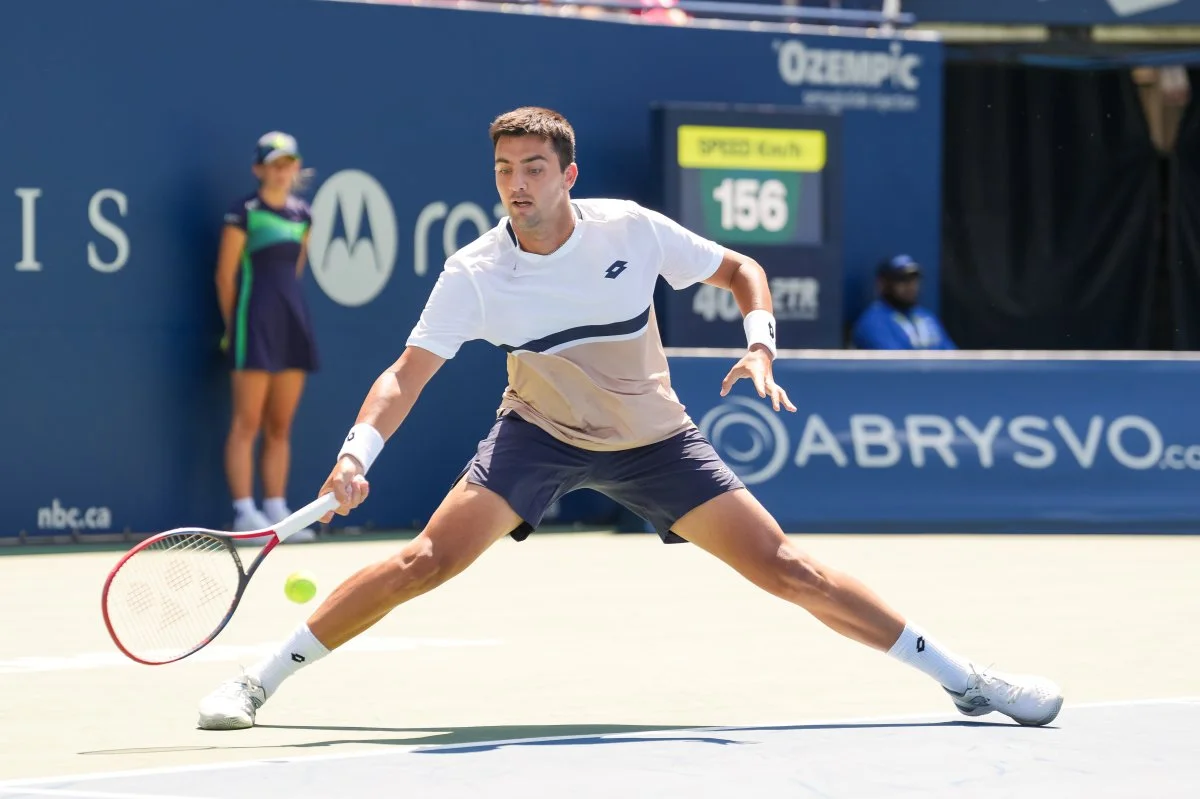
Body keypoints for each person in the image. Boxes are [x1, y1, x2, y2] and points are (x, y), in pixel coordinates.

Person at [196, 108, 1062, 730]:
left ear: (568, 175)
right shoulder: (475, 270)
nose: (517, 184)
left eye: (534, 168)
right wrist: (357, 452)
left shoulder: (631, 232)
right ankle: (258, 680)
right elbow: (404, 373)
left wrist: (758, 343)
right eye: (504, 170)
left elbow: (740, 270)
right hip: (536, 433)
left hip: (657, 441)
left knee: (788, 567)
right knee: (425, 558)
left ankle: (965, 679)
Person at [215, 132, 320, 542]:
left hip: (292, 324)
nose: (282, 170)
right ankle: (245, 513)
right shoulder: (244, 212)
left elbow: (295, 271)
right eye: (274, 163)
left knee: (280, 425)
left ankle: (276, 510)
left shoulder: (302, 215)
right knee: (248, 423)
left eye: (289, 163)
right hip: (251, 325)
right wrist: (234, 326)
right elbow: (225, 275)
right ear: (259, 169)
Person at [851, 255, 956, 350]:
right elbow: (897, 364)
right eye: (902, 280)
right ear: (883, 284)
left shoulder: (926, 316)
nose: (910, 286)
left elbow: (953, 357)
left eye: (914, 279)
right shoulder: (873, 322)